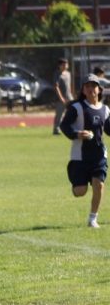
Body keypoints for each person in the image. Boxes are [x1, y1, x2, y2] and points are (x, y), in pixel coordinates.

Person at [58, 74, 110, 228]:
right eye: (87, 86)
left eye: (93, 86)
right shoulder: (77, 108)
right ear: (83, 90)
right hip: (79, 156)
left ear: (99, 89)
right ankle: (77, 183)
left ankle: (93, 218)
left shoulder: (106, 110)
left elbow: (108, 130)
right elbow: (64, 126)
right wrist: (77, 134)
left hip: (99, 155)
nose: (90, 89)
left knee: (98, 184)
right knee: (80, 191)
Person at [54, 58, 73, 136]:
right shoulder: (57, 74)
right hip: (61, 98)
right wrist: (61, 97)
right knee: (60, 114)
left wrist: (72, 94)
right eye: (63, 64)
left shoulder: (68, 73)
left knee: (73, 112)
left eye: (66, 64)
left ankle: (71, 127)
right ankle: (56, 129)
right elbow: (56, 86)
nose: (65, 65)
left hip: (69, 97)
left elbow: (70, 85)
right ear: (59, 65)